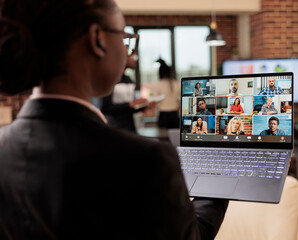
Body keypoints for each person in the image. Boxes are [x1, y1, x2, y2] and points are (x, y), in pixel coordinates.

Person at [0, 1, 228, 239]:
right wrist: (222, 177)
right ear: (97, 39)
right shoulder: (146, 162)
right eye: (124, 38)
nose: (129, 51)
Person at [100, 53, 147, 132]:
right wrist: (130, 104)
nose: (135, 59)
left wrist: (143, 106)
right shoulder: (110, 78)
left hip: (130, 128)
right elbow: (105, 108)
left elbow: (131, 108)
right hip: (115, 128)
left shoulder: (128, 79)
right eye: (132, 56)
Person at [153, 59, 180, 129]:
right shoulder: (176, 84)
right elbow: (180, 99)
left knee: (162, 138)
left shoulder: (158, 84)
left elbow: (155, 101)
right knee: (175, 137)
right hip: (174, 115)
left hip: (163, 115)